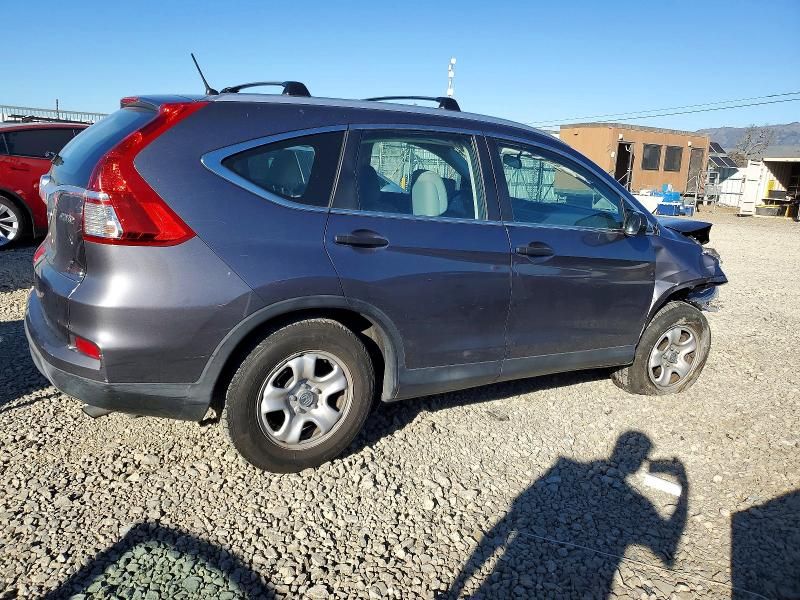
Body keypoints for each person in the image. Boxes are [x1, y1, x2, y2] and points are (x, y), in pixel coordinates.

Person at [445, 431, 688, 599]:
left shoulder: (564, 467)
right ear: (637, 462)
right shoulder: (639, 504)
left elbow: (505, 523)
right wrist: (682, 484)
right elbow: (668, 546)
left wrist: (458, 584)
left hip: (494, 578)